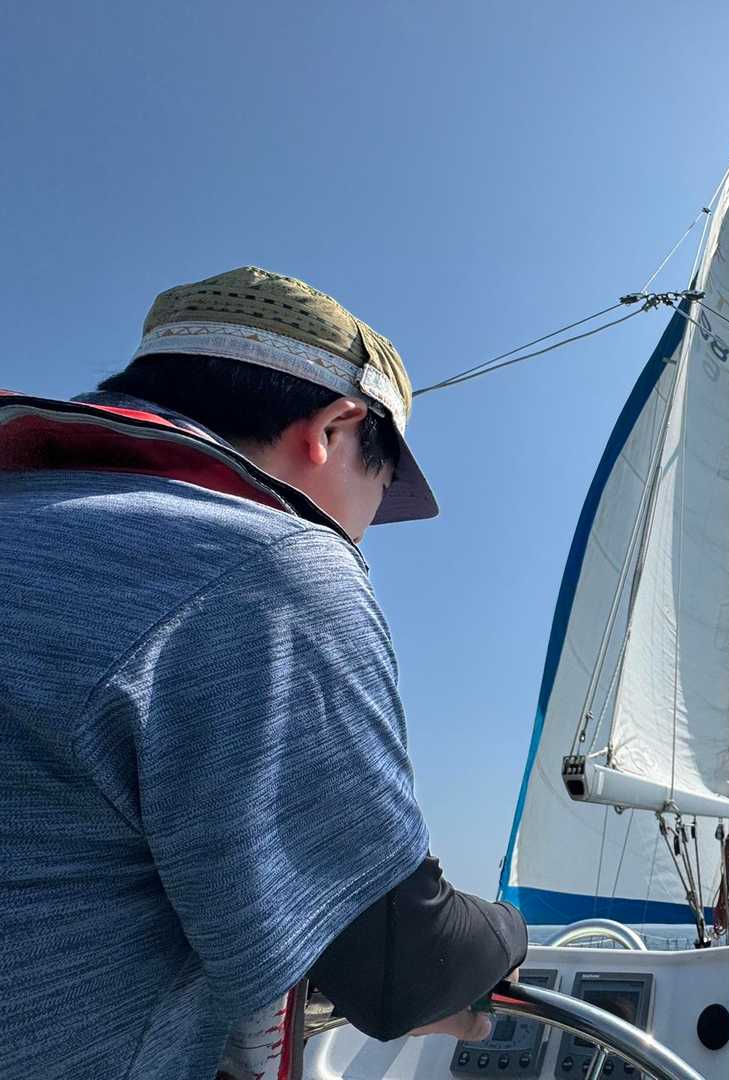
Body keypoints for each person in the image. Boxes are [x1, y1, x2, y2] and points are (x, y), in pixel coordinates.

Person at [0, 267, 528, 1079]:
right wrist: (509, 934)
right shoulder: (265, 564)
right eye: (381, 485)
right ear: (334, 429)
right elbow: (400, 967)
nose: (366, 529)